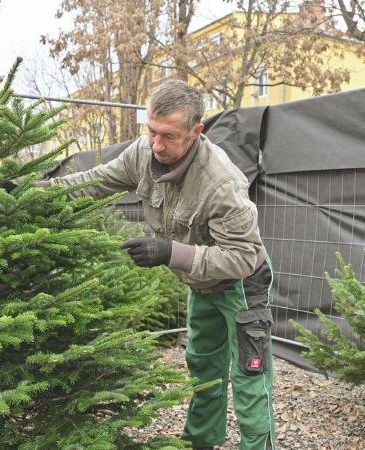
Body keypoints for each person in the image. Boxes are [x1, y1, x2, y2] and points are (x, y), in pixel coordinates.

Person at [40, 80, 275, 450]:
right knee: (203, 365)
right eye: (151, 131)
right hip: (201, 282)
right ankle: (200, 442)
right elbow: (96, 181)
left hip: (243, 285)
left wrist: (170, 253)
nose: (157, 144)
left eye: (169, 135)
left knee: (249, 376)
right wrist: (32, 192)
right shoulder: (142, 153)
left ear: (196, 132)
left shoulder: (221, 182)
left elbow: (242, 257)